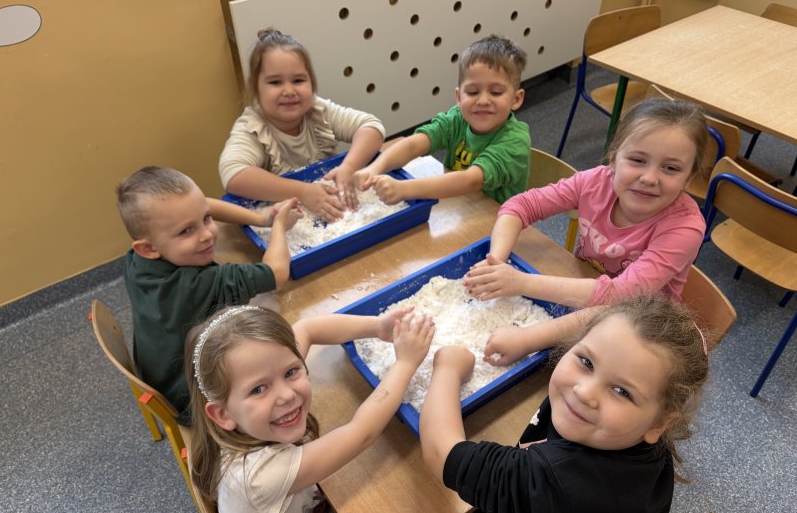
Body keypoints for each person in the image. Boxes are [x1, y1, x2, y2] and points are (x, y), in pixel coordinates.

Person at [419, 296, 710, 513]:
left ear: (660, 423)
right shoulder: (636, 431)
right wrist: (528, 338)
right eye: (586, 361)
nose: (584, 392)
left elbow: (441, 454)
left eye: (621, 391)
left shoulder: (564, 483)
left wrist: (448, 368)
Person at [462, 98, 709, 365]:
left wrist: (521, 284)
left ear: (689, 178)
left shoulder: (685, 227)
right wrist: (496, 263)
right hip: (582, 293)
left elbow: (621, 297)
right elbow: (520, 206)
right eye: (637, 160)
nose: (649, 178)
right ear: (613, 158)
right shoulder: (595, 182)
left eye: (671, 168)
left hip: (641, 328)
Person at [185, 304, 435, 513]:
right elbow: (361, 432)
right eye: (258, 390)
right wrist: (406, 363)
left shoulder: (233, 415)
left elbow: (307, 329)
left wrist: (378, 326)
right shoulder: (259, 477)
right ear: (222, 414)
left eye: (290, 372)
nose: (286, 394)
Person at [116, 166, 302, 423]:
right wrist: (279, 225)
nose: (207, 234)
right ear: (147, 248)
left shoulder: (135, 261)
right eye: (186, 231)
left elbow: (203, 204)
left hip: (161, 376)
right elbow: (277, 272)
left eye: (206, 218)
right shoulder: (200, 284)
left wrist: (261, 219)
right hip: (196, 401)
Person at [218, 27, 386, 221]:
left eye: (298, 80)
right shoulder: (253, 128)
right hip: (283, 219)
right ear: (256, 88)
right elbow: (234, 175)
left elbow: (372, 127)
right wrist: (303, 192)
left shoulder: (317, 111)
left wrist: (349, 167)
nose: (289, 91)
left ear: (311, 83)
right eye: (275, 82)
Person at [355, 34, 530, 205]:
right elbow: (413, 145)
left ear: (516, 99)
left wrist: (403, 189)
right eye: (473, 92)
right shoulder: (458, 118)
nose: (483, 100)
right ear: (459, 97)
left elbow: (471, 181)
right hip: (460, 206)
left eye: (496, 92)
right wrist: (374, 168)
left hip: (497, 218)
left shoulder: (515, 141)